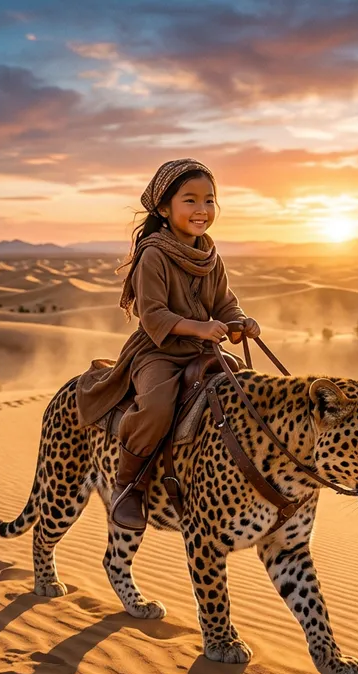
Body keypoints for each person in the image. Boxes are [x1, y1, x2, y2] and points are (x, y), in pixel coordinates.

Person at [75, 158, 260, 531]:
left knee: (244, 393)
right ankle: (130, 487)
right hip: (157, 352)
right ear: (164, 208)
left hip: (202, 351)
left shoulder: (210, 255)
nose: (202, 210)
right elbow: (153, 315)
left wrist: (240, 322)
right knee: (157, 407)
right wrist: (199, 327)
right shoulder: (154, 254)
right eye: (189, 200)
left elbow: (224, 302)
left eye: (209, 200)